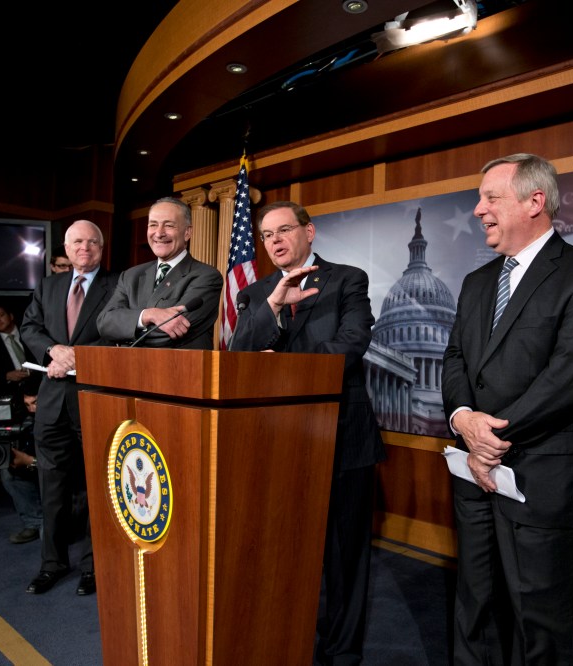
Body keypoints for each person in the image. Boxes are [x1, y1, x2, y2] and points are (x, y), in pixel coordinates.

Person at [441, 154, 573, 665]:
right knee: (474, 610)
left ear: (534, 201)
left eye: (490, 198)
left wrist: (488, 439)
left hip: (543, 481)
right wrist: (461, 419)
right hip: (473, 478)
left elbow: (571, 379)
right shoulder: (477, 283)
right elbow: (455, 359)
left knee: (541, 624)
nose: (478, 210)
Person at [229, 201, 385, 665]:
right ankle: (289, 633)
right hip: (276, 443)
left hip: (342, 437)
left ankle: (341, 651)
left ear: (309, 232)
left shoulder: (346, 279)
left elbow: (352, 344)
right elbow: (240, 356)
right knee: (286, 551)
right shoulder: (256, 293)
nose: (274, 241)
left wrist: (288, 371)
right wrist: (273, 308)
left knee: (344, 556)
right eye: (266, 234)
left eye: (284, 230)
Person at [20, 220, 118, 597]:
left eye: (93, 242)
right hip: (52, 403)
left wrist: (79, 355)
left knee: (98, 487)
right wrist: (53, 350)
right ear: (66, 245)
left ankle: (95, 566)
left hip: (94, 398)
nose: (85, 248)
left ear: (101, 247)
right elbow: (30, 328)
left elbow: (122, 335)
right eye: (78, 242)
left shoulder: (118, 285)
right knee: (53, 488)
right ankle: (52, 563)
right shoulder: (49, 285)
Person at [97, 197, 222, 348]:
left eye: (169, 225)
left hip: (179, 370)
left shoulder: (206, 276)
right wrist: (148, 315)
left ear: (187, 233)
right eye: (153, 225)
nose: (159, 233)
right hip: (130, 369)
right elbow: (104, 323)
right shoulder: (131, 276)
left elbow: (168, 334)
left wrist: (124, 332)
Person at [0, 378, 43, 545]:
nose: (32, 409)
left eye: (36, 403)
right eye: (27, 405)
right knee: (9, 471)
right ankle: (35, 521)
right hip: (36, 460)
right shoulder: (23, 412)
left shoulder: (64, 412)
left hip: (64, 469)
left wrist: (30, 461)